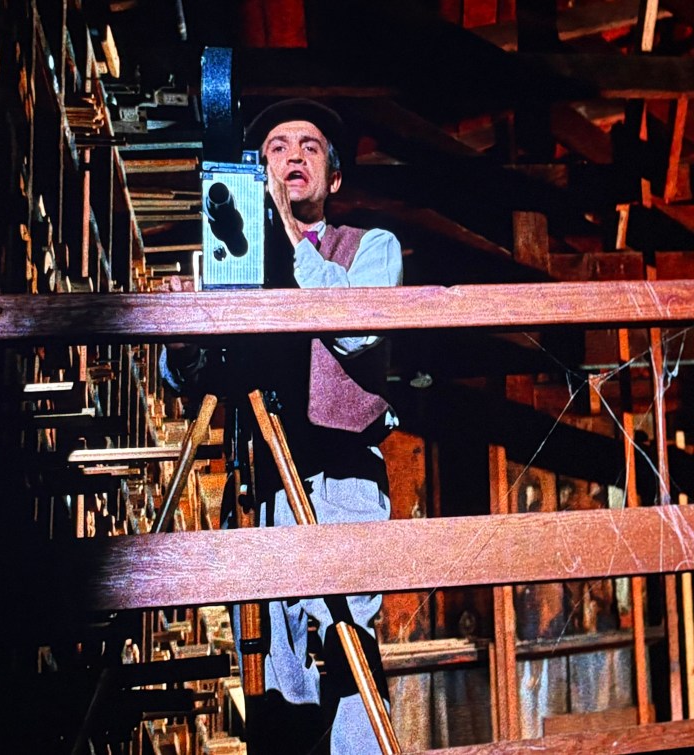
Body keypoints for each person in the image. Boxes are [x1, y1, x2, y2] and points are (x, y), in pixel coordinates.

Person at [160, 98, 402, 754]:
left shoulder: (370, 248)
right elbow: (197, 378)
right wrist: (182, 343)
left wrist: (292, 239)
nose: (292, 157)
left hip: (342, 475)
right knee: (273, 674)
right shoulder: (240, 261)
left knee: (346, 650)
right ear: (251, 169)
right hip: (264, 482)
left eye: (310, 147)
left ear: (336, 178)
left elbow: (359, 328)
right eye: (275, 147)